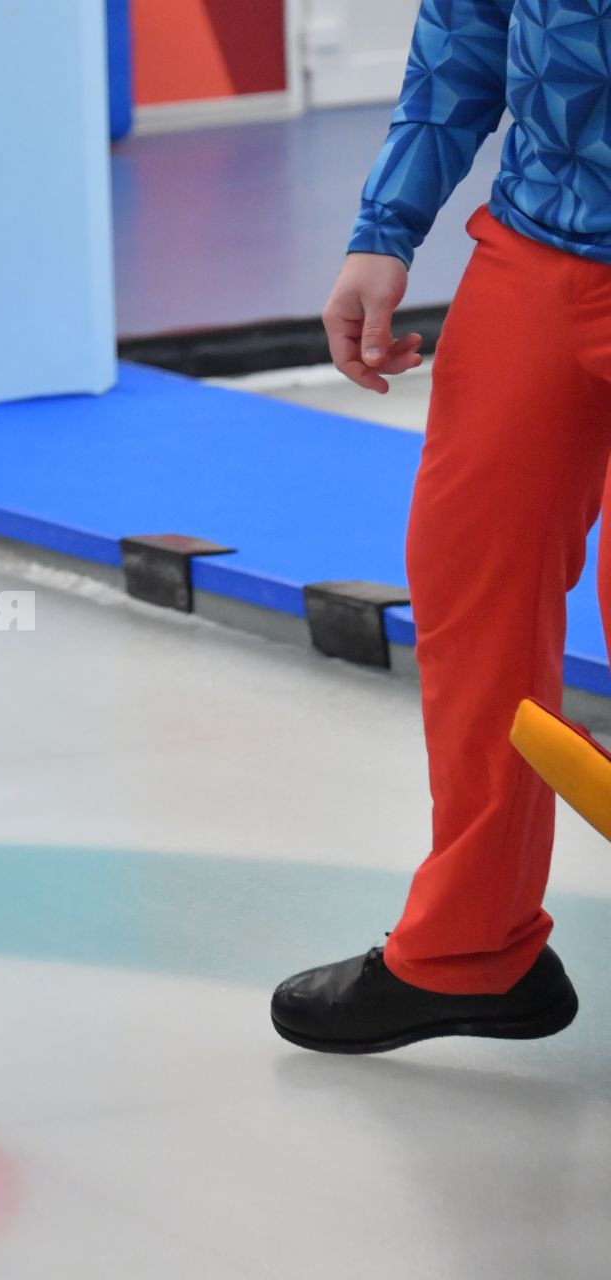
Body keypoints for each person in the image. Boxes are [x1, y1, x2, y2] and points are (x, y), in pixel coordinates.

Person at [272, 0, 606, 1053]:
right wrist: (385, 229)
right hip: (540, 240)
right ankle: (475, 947)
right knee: (471, 578)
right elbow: (467, 30)